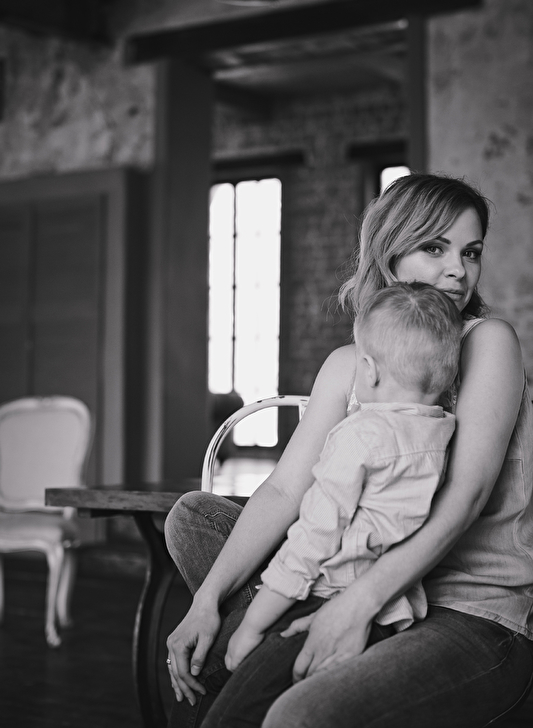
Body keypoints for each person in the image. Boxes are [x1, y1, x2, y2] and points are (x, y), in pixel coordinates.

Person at [164, 173, 533, 728]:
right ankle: (266, 636)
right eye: (435, 248)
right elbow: (285, 489)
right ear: (389, 253)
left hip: (469, 611)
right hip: (345, 576)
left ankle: (270, 647)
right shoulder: (346, 365)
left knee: (297, 715)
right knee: (193, 518)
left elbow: (467, 494)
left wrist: (354, 606)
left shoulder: (487, 342)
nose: (459, 269)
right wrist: (205, 601)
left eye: (471, 251)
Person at [213, 282, 460, 726]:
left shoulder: (359, 435)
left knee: (231, 712)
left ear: (368, 369)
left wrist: (252, 625)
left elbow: (312, 540)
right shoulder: (440, 432)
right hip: (391, 611)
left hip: (325, 601)